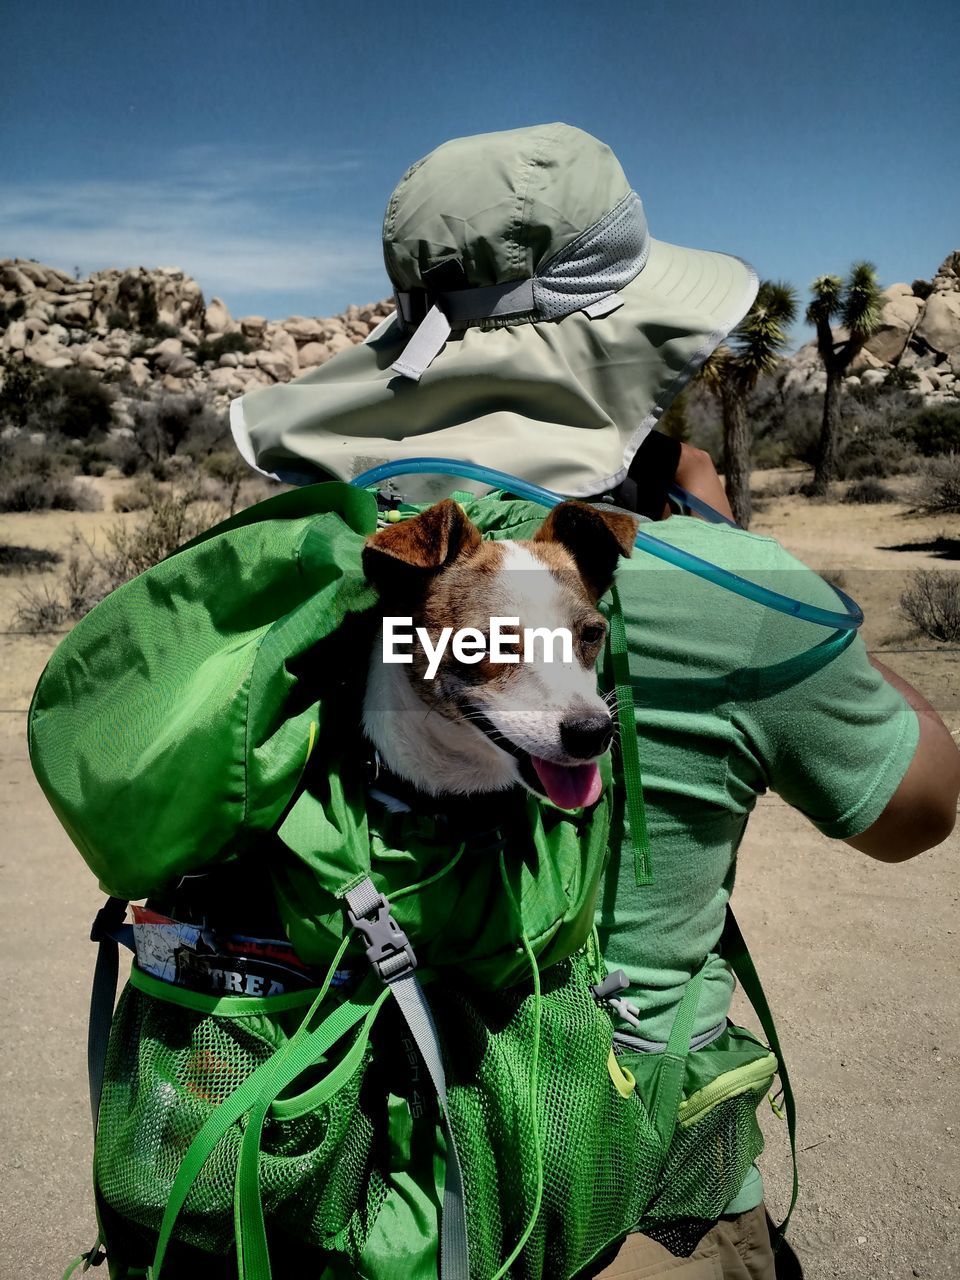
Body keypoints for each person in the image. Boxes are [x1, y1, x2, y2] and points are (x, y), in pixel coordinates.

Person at [231, 123, 960, 1279]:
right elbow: (918, 806)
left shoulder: (300, 559)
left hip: (348, 1177)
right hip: (636, 1201)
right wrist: (738, 556)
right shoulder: (729, 587)